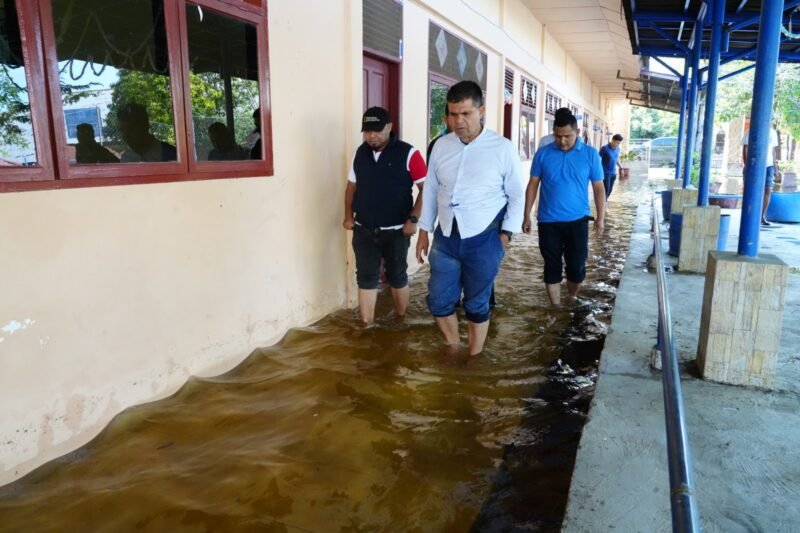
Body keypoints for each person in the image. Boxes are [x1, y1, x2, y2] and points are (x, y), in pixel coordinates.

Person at [416, 80, 525, 356]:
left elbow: (516, 194)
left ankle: (474, 356)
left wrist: (505, 235)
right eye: (453, 114)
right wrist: (423, 231)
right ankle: (453, 347)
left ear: (482, 111)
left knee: (477, 304)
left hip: (485, 238)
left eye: (466, 113)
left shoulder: (502, 148)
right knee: (439, 300)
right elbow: (430, 190)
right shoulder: (440, 146)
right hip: (446, 237)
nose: (458, 121)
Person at [342, 106, 426, 324]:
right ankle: (366, 325)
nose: (371, 136)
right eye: (367, 131)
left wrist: (413, 219)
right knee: (366, 277)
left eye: (377, 130)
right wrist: (348, 216)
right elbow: (351, 187)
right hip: (364, 229)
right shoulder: (360, 153)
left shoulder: (409, 154)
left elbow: (427, 190)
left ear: (389, 127)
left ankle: (400, 319)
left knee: (397, 275)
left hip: (397, 230)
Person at [523, 110, 606, 307]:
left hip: (578, 220)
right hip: (548, 221)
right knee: (551, 265)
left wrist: (601, 217)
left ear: (577, 132)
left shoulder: (590, 154)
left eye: (567, 136)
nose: (562, 141)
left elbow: (599, 187)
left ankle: (571, 296)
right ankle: (556, 307)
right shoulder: (543, 154)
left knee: (576, 266)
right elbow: (533, 184)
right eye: (558, 136)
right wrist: (526, 215)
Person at [742, 125, 780, 226]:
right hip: (754, 165)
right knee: (752, 190)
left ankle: (762, 216)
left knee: (767, 189)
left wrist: (776, 168)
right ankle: (750, 215)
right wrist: (747, 164)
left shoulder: (773, 132)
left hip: (769, 165)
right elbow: (745, 148)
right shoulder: (750, 131)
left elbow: (773, 151)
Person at [599, 133, 624, 199]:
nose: (618, 144)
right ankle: (603, 205)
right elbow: (598, 158)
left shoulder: (617, 149)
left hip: (613, 173)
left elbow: (616, 158)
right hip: (605, 173)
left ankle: (604, 202)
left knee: (610, 190)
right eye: (617, 143)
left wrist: (621, 167)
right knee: (606, 189)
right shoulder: (605, 148)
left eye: (619, 143)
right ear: (613, 140)